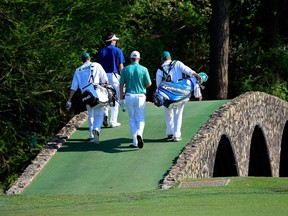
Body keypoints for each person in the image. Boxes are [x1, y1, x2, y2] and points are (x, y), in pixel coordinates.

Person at [155, 51, 203, 142]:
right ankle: (177, 135)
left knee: (168, 113)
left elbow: (158, 84)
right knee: (178, 113)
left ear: (162, 59)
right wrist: (196, 74)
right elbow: (188, 71)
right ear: (170, 57)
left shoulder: (160, 69)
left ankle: (169, 133)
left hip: (167, 94)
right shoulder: (177, 63)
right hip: (179, 93)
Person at [66, 52, 109, 144]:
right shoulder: (96, 65)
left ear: (82, 60)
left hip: (86, 95)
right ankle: (96, 129)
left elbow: (74, 87)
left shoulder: (78, 70)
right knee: (100, 113)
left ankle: (91, 134)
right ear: (89, 58)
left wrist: (69, 100)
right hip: (96, 93)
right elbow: (105, 80)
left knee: (90, 115)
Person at [119, 51, 152, 149]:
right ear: (139, 58)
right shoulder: (144, 69)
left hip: (129, 96)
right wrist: (143, 85)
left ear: (130, 58)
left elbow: (121, 85)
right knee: (140, 118)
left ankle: (135, 142)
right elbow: (149, 84)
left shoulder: (125, 69)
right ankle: (140, 135)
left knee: (132, 119)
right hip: (141, 96)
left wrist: (121, 98)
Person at [97, 32, 125, 128]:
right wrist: (124, 78)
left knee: (104, 98)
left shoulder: (101, 51)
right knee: (115, 99)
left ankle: (105, 114)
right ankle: (113, 121)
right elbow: (120, 66)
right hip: (113, 76)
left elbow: (99, 67)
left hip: (103, 77)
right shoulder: (118, 51)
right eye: (115, 40)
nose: (116, 42)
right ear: (112, 41)